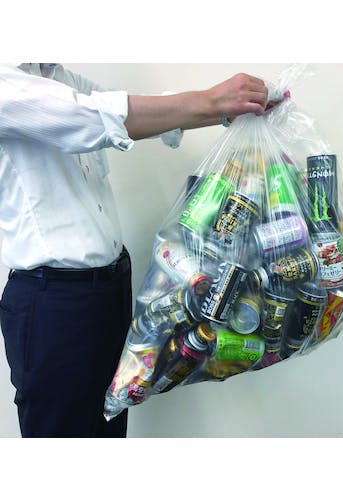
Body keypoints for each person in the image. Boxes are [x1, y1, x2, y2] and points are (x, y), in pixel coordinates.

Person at [0, 63, 275, 438]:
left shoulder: (57, 75)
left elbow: (136, 108)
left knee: (108, 422)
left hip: (108, 290)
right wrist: (213, 101)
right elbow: (97, 117)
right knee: (63, 433)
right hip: (54, 302)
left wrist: (230, 107)